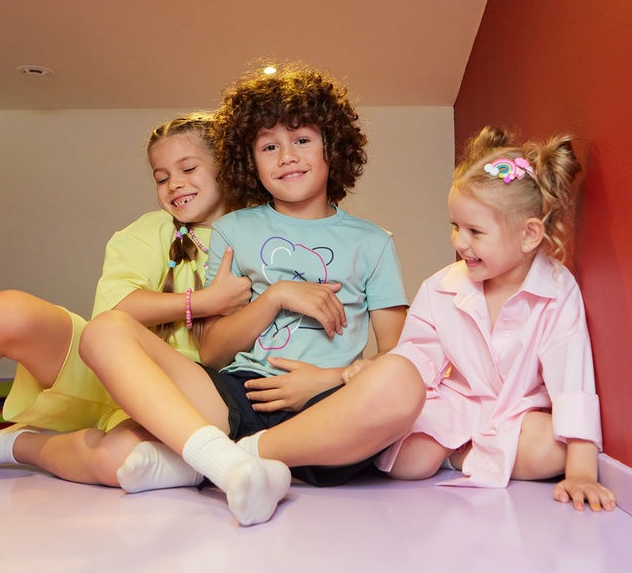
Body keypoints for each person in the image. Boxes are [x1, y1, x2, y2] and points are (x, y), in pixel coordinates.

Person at [75, 64, 425, 524]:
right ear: (249, 160)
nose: (286, 157)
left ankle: (228, 459)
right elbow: (212, 350)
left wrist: (331, 379)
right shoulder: (233, 229)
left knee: (404, 379)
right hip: (236, 395)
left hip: (324, 409)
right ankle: (226, 461)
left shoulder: (373, 242)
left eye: (302, 139)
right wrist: (275, 296)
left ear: (332, 146)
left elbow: (398, 350)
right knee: (104, 331)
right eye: (269, 146)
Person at [0, 113, 252, 494]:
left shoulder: (261, 235)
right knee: (0, 314)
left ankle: (12, 444)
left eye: (188, 168)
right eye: (161, 177)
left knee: (120, 464)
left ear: (225, 167)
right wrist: (204, 301)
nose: (174, 184)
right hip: (103, 369)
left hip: (180, 396)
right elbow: (115, 313)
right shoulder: (152, 230)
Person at [373, 126, 616, 512]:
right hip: (457, 402)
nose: (459, 242)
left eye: (475, 231)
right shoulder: (440, 287)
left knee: (554, 451)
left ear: (528, 235)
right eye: (456, 226)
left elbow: (572, 379)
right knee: (409, 463)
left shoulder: (557, 289)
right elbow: (416, 360)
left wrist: (582, 471)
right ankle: (465, 452)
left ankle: (466, 455)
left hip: (519, 413)